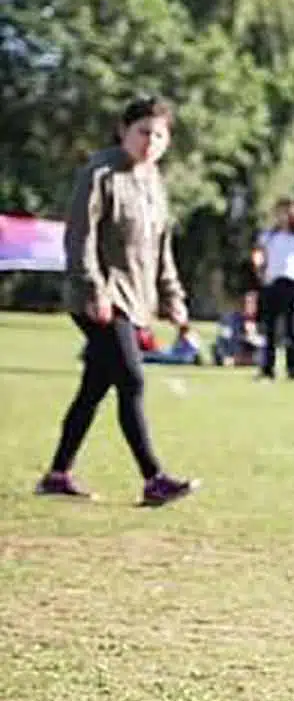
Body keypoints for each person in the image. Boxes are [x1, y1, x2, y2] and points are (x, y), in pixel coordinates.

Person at [34, 96, 198, 507]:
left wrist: (173, 299)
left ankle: (57, 475)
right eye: (143, 131)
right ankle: (154, 479)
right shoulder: (101, 173)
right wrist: (93, 291)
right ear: (123, 130)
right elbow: (80, 236)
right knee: (132, 379)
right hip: (100, 299)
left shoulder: (154, 182)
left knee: (94, 388)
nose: (150, 142)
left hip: (136, 299)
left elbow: (161, 250)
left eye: (159, 135)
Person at [254, 198, 294, 380]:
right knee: (270, 330)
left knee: (293, 330)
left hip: (292, 283)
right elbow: (260, 255)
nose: (281, 217)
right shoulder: (268, 236)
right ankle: (267, 369)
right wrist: (260, 270)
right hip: (272, 283)